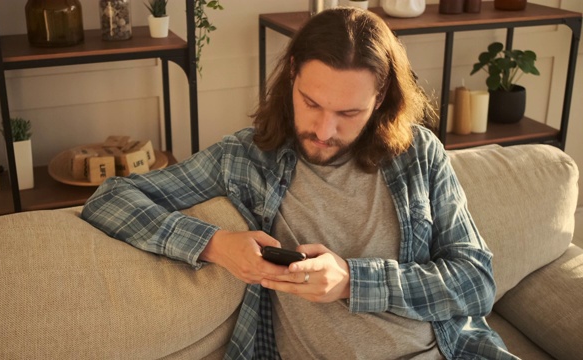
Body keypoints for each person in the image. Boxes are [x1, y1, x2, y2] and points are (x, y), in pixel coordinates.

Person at [81, 7, 518, 360]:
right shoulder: (246, 158)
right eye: (312, 103)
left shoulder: (418, 154)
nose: (325, 130)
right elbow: (111, 199)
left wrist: (351, 280)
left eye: (348, 114)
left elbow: (476, 282)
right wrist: (215, 244)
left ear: (380, 98)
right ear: (292, 73)